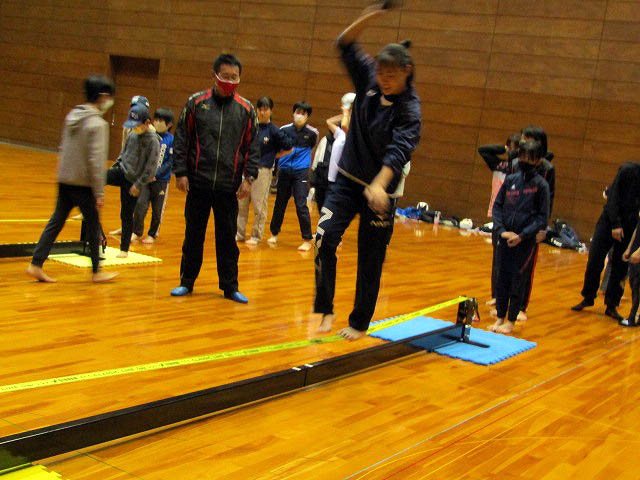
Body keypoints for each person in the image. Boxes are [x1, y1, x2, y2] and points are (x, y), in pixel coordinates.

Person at [314, 4, 422, 340]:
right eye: (381, 73)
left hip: (381, 191)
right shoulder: (368, 82)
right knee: (324, 237)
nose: (384, 80)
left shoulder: (410, 110)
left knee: (370, 258)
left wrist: (378, 185)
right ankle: (325, 307)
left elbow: (398, 151)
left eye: (392, 75)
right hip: (348, 181)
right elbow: (344, 43)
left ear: (407, 72)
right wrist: (375, 13)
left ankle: (359, 323)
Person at [170, 53, 260, 303]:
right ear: (214, 75)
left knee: (228, 239)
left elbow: (253, 147)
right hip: (198, 183)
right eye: (225, 76)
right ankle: (186, 282)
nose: (229, 81)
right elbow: (181, 139)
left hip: (229, 187)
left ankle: (230, 287)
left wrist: (249, 178)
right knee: (193, 235)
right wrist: (181, 172)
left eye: (234, 77)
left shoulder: (246, 110)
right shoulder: (196, 103)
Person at [27, 75, 118, 283]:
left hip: (65, 179)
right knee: (93, 224)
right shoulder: (98, 124)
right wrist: (99, 192)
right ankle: (97, 271)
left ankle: (36, 264)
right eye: (108, 97)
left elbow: (64, 148)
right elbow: (96, 161)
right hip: (83, 183)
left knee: (56, 221)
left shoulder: (72, 115)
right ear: (102, 96)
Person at [490, 141, 550, 334]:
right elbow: (498, 206)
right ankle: (500, 317)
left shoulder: (541, 186)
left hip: (524, 242)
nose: (525, 161)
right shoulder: (511, 180)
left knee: (518, 280)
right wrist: (502, 230)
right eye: (522, 156)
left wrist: (522, 235)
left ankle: (511, 320)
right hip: (505, 238)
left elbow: (542, 217)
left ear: (538, 160)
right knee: (502, 278)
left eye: (529, 158)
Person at [572, 162, 640, 320]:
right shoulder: (628, 170)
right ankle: (588, 296)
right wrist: (616, 224)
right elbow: (612, 198)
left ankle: (612, 304)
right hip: (609, 220)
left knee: (620, 266)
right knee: (595, 258)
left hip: (630, 225)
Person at [105, 104, 160, 258]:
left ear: (147, 123)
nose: (134, 128)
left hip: (133, 182)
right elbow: (123, 154)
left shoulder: (153, 141)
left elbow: (151, 168)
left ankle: (124, 249)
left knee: (126, 214)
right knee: (98, 178)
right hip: (122, 171)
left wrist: (139, 184)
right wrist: (114, 167)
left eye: (137, 125)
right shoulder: (132, 134)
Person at [236, 96, 293, 245]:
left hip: (263, 171)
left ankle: (256, 235)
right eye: (260, 109)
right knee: (241, 203)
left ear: (271, 111)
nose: (262, 112)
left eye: (265, 109)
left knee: (259, 205)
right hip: (246, 170)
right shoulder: (251, 126)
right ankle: (239, 233)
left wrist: (274, 155)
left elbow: (289, 147)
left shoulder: (273, 130)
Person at [267, 101, 318, 251]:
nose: (299, 115)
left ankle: (307, 239)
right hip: (284, 171)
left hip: (300, 172)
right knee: (280, 203)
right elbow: (278, 150)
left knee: (301, 204)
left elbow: (311, 148)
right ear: (293, 113)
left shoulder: (313, 133)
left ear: (307, 116)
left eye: (303, 113)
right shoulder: (284, 130)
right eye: (297, 112)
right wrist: (275, 171)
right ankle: (274, 233)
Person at [478, 134, 521, 307]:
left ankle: (510, 297)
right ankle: (496, 295)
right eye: (510, 146)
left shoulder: (519, 169)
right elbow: (483, 150)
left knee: (511, 261)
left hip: (512, 218)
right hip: (498, 217)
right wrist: (504, 149)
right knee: (497, 259)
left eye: (515, 148)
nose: (512, 150)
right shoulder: (499, 164)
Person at [108, 95, 152, 234]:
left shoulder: (150, 132)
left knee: (140, 205)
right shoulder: (128, 128)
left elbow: (153, 157)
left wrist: (144, 178)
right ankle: (126, 229)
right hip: (128, 169)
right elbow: (124, 149)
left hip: (142, 174)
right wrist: (118, 164)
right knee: (127, 205)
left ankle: (136, 232)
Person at [132, 107, 175, 244]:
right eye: (155, 119)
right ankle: (136, 231)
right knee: (140, 205)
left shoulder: (171, 140)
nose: (157, 123)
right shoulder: (148, 136)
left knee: (157, 209)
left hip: (161, 181)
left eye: (161, 120)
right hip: (145, 179)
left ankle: (152, 233)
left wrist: (156, 174)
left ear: (169, 124)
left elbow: (170, 162)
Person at [310, 93, 356, 213]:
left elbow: (345, 125)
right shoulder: (340, 134)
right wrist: (346, 113)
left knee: (331, 212)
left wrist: (347, 113)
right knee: (322, 209)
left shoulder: (352, 136)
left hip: (340, 181)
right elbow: (329, 122)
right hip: (329, 180)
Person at [621, 217, 640, 326]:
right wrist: (629, 248)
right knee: (633, 282)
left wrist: (639, 252)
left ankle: (632, 317)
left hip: (638, 253)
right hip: (635, 248)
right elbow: (637, 228)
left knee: (637, 285)